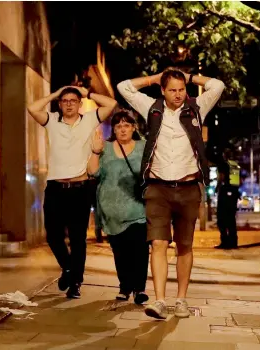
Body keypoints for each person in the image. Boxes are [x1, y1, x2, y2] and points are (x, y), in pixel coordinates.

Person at [117, 67, 225, 319]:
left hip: (188, 189)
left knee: (185, 246)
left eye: (181, 90)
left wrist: (189, 78)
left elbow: (217, 85)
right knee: (158, 243)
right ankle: (160, 301)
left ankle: (181, 300)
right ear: (163, 91)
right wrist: (155, 78)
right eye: (172, 90)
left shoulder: (197, 107)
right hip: (158, 189)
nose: (178, 95)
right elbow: (124, 86)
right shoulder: (152, 108)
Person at [27, 86, 117, 299]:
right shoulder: (52, 120)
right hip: (56, 188)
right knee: (53, 235)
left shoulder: (89, 119)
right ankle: (67, 268)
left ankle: (75, 282)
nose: (68, 104)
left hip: (80, 189)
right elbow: (32, 107)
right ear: (60, 103)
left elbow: (111, 104)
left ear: (79, 103)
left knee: (78, 239)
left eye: (73, 100)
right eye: (64, 100)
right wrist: (55, 93)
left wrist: (87, 93)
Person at [87, 111, 149, 304]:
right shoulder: (104, 147)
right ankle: (125, 287)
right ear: (114, 129)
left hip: (138, 208)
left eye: (126, 125)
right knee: (120, 251)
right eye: (118, 126)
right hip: (111, 210)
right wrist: (95, 152)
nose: (123, 129)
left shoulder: (144, 146)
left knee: (139, 250)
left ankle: (139, 289)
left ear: (133, 128)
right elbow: (92, 172)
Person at [215, 149, 240, 249]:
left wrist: (217, 187)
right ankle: (233, 242)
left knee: (221, 219)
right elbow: (239, 180)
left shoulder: (224, 164)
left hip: (225, 192)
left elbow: (221, 177)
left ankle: (225, 242)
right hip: (234, 193)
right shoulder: (235, 165)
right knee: (231, 219)